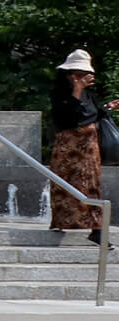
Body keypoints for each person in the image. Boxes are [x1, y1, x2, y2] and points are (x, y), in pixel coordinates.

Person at [49, 50, 118, 245]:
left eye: (83, 75)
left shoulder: (89, 95)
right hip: (68, 147)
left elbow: (93, 114)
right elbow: (66, 116)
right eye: (76, 75)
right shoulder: (60, 94)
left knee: (92, 186)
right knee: (64, 186)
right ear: (67, 75)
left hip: (88, 149)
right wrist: (76, 91)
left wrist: (109, 107)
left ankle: (96, 230)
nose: (80, 79)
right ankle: (60, 221)